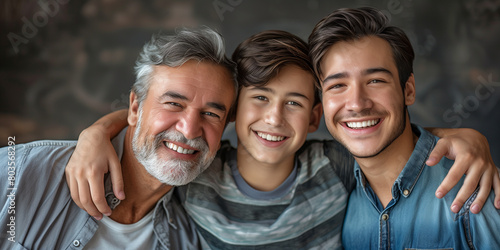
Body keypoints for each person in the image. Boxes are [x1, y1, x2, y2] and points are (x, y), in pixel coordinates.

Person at [66, 30, 499, 248]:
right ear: (233, 109)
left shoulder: (335, 165)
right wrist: (97, 132)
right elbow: (165, 123)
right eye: (259, 98)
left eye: (294, 103)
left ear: (314, 117)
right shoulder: (197, 171)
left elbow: (385, 141)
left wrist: (463, 137)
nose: (273, 118)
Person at [0, 27, 237, 249]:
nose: (189, 130)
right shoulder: (23, 172)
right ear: (135, 108)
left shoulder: (197, 227)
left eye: (210, 114)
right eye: (174, 104)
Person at [308, 7, 500, 249]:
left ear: (408, 90)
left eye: (375, 81)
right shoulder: (333, 196)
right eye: (337, 85)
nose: (357, 103)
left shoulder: (473, 189)